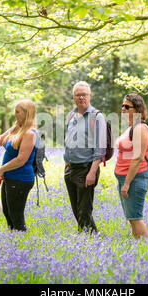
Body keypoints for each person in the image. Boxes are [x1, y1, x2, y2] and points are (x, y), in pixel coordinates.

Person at [0, 99, 38, 232]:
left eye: (17, 112)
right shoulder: (16, 128)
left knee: (16, 217)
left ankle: (23, 246)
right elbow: (1, 140)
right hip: (9, 178)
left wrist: (1, 169)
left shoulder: (29, 133)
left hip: (20, 179)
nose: (14, 114)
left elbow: (21, 160)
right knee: (8, 214)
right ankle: (14, 245)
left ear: (26, 114)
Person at [64, 81, 107, 234]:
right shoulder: (71, 116)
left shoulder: (97, 117)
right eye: (78, 95)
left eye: (84, 94)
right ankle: (92, 240)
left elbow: (100, 148)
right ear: (73, 97)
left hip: (86, 169)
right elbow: (68, 140)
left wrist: (92, 172)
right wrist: (66, 164)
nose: (81, 97)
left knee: (84, 211)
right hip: (71, 169)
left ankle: (88, 242)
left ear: (90, 96)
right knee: (77, 210)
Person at [114, 93, 148, 240]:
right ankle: (139, 250)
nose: (123, 108)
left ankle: (144, 250)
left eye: (127, 106)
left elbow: (138, 158)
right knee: (132, 217)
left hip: (135, 179)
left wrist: (127, 183)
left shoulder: (140, 128)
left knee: (136, 217)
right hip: (126, 178)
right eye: (122, 105)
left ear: (137, 109)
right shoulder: (131, 127)